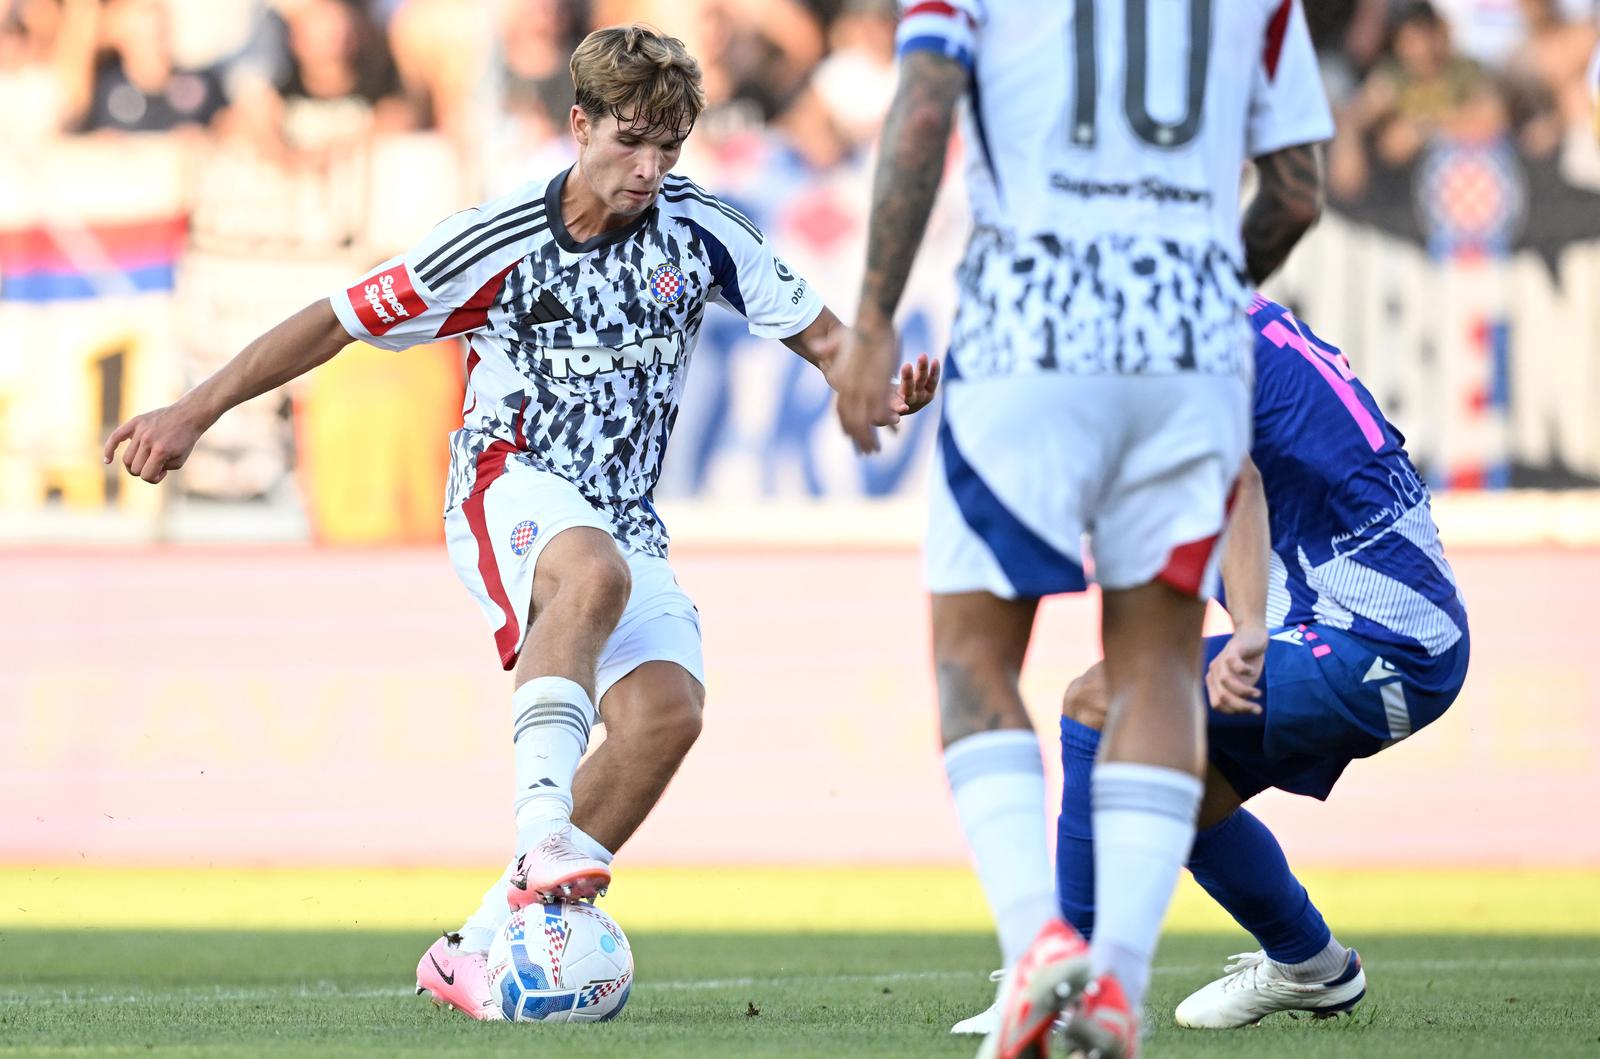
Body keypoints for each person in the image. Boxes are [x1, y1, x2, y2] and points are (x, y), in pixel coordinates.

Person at [103, 23, 937, 1021]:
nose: (648, 168)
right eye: (630, 140)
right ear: (577, 123)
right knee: (591, 578)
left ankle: (479, 942)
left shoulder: (707, 230)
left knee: (668, 716)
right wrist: (193, 411)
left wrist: (878, 388)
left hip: (625, 512)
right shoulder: (494, 237)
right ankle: (543, 826)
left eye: (668, 147)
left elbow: (827, 340)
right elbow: (334, 317)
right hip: (508, 483)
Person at [830, 2, 1333, 1056]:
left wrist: (872, 319)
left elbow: (924, 107)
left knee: (973, 655)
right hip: (1184, 345)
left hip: (1029, 325)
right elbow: (1295, 191)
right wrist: (1193, 291)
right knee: (1152, 666)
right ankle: (1117, 986)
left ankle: (1034, 948)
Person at [1048, 294, 1470, 1031]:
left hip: (1378, 637)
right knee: (1175, 782)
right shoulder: (1207, 315)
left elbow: (1234, 481)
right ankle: (1310, 962)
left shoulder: (1169, 341)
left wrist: (1242, 631)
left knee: (1096, 700)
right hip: (1388, 632)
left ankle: (1060, 981)